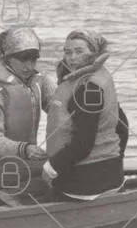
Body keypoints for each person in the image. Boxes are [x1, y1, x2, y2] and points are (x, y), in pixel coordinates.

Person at [0, 26, 55, 206]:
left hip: (21, 160)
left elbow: (59, 110)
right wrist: (26, 149)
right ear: (6, 58)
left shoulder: (38, 81)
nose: (29, 66)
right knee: (52, 173)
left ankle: (16, 197)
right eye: (22, 60)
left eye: (33, 59)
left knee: (62, 166)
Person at [44, 30, 129, 198]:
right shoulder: (101, 78)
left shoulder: (87, 89)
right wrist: (116, 161)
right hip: (114, 176)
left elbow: (83, 144)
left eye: (79, 51)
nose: (72, 57)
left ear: (94, 53)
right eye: (68, 52)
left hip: (85, 185)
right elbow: (123, 128)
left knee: (40, 184)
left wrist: (51, 167)